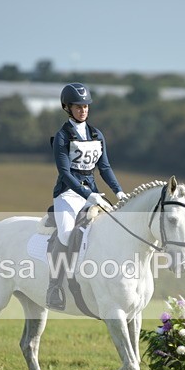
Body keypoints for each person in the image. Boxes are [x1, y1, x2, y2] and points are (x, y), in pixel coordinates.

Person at [47, 82, 127, 310]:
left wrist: (119, 191)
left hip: (93, 193)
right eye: (78, 106)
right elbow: (64, 172)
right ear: (67, 108)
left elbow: (105, 167)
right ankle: (54, 286)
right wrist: (87, 195)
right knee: (65, 235)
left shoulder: (96, 134)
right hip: (67, 194)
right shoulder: (62, 136)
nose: (83, 110)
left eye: (86, 106)